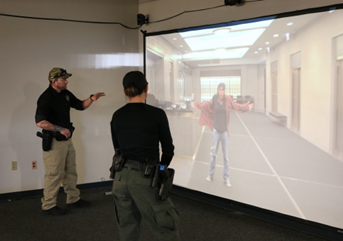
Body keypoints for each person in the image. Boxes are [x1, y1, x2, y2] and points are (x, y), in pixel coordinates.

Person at [110, 71, 180, 241]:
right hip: (145, 178)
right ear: (146, 88)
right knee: (165, 226)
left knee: (127, 227)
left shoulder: (117, 115)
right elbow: (168, 149)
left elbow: (117, 148)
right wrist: (161, 169)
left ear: (125, 91)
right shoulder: (157, 114)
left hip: (120, 178)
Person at [35, 67, 105, 215]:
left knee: (70, 171)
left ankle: (73, 199)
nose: (66, 81)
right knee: (54, 174)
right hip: (54, 142)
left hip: (67, 140)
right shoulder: (46, 97)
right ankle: (48, 205)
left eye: (66, 79)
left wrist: (92, 98)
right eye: (63, 79)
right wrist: (59, 129)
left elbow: (80, 105)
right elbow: (40, 122)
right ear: (54, 81)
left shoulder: (65, 94)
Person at [194, 83, 253, 187]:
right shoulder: (214, 98)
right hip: (216, 131)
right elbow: (206, 105)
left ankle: (226, 178)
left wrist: (246, 107)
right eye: (219, 90)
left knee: (226, 157)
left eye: (222, 90)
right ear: (217, 90)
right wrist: (198, 105)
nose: (221, 92)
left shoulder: (228, 99)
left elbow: (236, 106)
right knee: (213, 155)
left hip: (224, 132)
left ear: (224, 91)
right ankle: (210, 175)